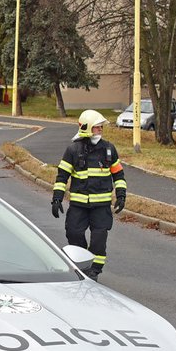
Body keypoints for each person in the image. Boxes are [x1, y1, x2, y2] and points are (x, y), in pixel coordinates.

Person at [51, 109, 126, 281]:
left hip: (101, 207)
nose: (100, 130)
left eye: (101, 127)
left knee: (99, 240)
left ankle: (94, 271)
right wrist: (56, 198)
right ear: (86, 128)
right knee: (74, 234)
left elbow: (118, 175)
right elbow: (62, 176)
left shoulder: (108, 149)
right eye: (97, 127)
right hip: (78, 206)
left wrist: (121, 195)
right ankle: (82, 264)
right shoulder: (73, 150)